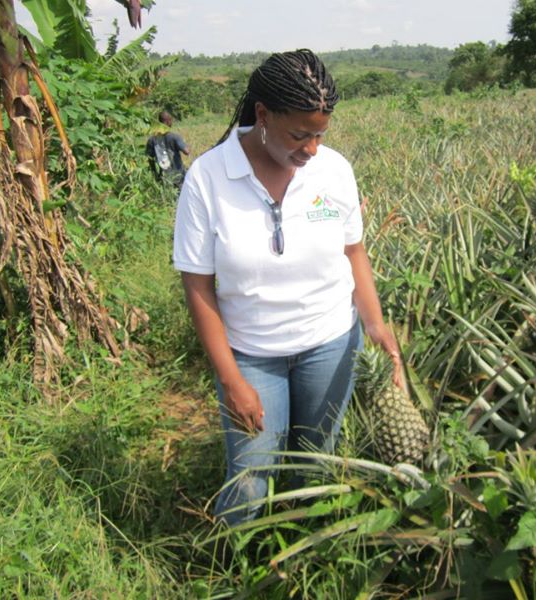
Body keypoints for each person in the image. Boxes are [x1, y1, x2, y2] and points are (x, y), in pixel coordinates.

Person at [172, 49, 403, 525]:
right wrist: (232, 380)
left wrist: (377, 327)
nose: (312, 149)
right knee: (251, 475)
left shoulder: (333, 170)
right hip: (252, 353)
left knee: (316, 460)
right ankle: (233, 564)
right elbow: (198, 286)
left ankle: (306, 555)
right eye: (300, 134)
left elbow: (353, 252)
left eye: (320, 135)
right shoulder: (208, 178)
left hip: (331, 343)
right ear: (263, 115)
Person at [146, 110, 190, 186]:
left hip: (163, 177)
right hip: (178, 176)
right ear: (167, 121)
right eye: (171, 120)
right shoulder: (174, 137)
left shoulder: (151, 140)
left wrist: (155, 175)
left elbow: (150, 159)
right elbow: (187, 152)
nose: (171, 122)